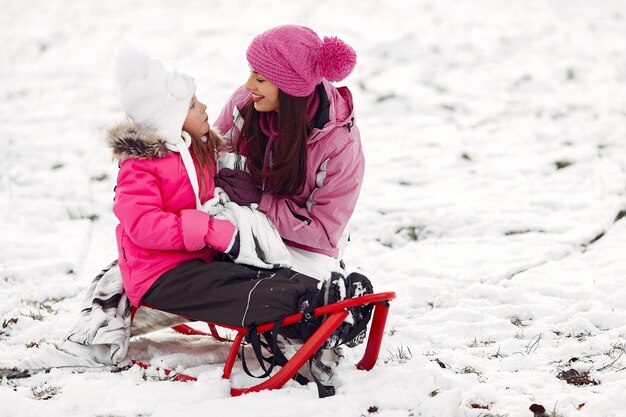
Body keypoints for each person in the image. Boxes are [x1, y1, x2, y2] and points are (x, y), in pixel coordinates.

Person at [214, 25, 364, 282]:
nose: (249, 85)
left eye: (260, 79)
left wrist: (260, 201)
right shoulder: (245, 103)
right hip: (245, 228)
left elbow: (325, 232)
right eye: (251, 73)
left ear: (289, 89)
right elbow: (211, 156)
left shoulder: (339, 145)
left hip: (304, 254)